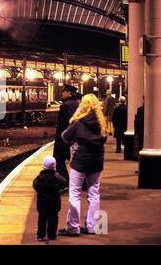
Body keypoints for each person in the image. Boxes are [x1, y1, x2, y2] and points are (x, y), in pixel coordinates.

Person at [58, 94, 107, 236]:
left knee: (75, 193)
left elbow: (65, 137)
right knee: (94, 193)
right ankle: (92, 226)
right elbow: (103, 139)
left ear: (83, 106)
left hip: (80, 161)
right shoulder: (101, 123)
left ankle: (73, 227)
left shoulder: (79, 122)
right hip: (97, 161)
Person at [33, 155, 68, 242]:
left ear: (43, 166)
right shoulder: (56, 177)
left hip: (42, 204)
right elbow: (65, 183)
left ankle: (40, 236)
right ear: (54, 167)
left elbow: (35, 185)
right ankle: (52, 235)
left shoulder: (39, 178)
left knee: (42, 220)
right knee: (53, 219)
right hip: (54, 204)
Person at [53, 84, 79, 181]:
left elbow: (61, 125)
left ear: (69, 93)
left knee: (58, 159)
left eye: (64, 91)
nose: (62, 93)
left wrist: (59, 140)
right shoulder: (78, 105)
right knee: (76, 161)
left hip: (65, 139)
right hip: (76, 138)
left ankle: (64, 180)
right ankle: (84, 183)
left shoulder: (64, 106)